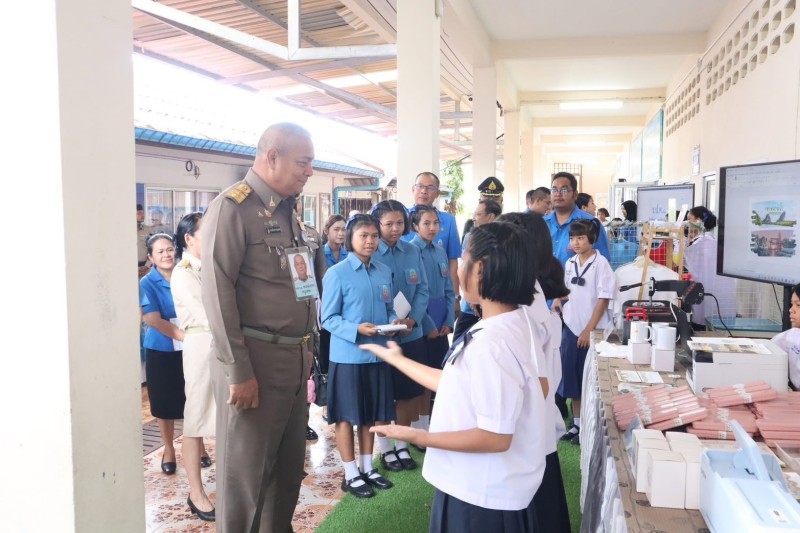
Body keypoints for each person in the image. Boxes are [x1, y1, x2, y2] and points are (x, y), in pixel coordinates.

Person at [362, 222, 547, 533]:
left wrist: (420, 437)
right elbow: (458, 385)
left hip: (482, 497)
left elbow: (495, 437)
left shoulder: (492, 344)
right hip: (486, 488)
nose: (458, 269)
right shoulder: (514, 322)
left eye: (464, 259)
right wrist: (399, 360)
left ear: (480, 270)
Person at [201, 123, 325, 532]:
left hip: (294, 358)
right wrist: (239, 371)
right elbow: (217, 292)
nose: (309, 171)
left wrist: (308, 350)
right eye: (303, 162)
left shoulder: (289, 210)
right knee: (247, 482)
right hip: (255, 362)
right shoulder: (233, 208)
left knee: (286, 475)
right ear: (272, 157)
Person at [497, 211, 571, 533]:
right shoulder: (530, 295)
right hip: (536, 423)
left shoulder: (523, 307)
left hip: (527, 425)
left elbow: (539, 383)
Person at [321, 214, 398, 498]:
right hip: (348, 358)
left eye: (374, 236)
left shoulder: (383, 270)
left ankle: (367, 467)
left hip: (377, 354)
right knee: (345, 417)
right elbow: (327, 318)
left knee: (370, 415)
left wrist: (393, 322)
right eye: (363, 236)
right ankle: (350, 472)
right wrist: (356, 329)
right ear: (350, 239)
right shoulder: (337, 273)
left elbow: (388, 307)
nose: (370, 241)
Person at [371, 200, 430, 470]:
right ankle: (386, 450)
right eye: (388, 224)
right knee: (383, 395)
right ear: (378, 225)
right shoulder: (370, 252)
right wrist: (389, 323)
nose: (395, 229)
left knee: (408, 393)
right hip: (382, 336)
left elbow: (423, 289)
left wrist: (412, 320)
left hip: (410, 333)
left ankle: (403, 446)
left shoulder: (412, 250)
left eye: (399, 223)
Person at [552, 219, 615, 445]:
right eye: (572, 238)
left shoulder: (601, 264)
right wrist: (558, 299)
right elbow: (566, 290)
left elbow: (603, 299)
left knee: (590, 380)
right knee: (572, 378)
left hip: (593, 330)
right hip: (571, 327)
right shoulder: (570, 262)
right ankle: (577, 424)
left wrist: (589, 330)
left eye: (580, 238)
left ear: (593, 239)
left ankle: (589, 426)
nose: (575, 242)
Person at [170, 212, 215, 522]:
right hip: (201, 344)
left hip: (221, 344)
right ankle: (196, 492)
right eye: (206, 232)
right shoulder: (184, 272)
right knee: (196, 419)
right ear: (189, 238)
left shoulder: (210, 266)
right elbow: (208, 314)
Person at [139, 233, 186, 476]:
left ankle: (197, 447)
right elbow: (153, 320)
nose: (166, 255)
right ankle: (168, 449)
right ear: (150, 257)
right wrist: (187, 337)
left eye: (169, 249)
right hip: (162, 349)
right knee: (163, 403)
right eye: (160, 251)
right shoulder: (146, 283)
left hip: (190, 349)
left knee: (193, 398)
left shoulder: (186, 275)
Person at [409, 205, 455, 441]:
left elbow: (449, 289)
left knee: (437, 375)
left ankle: (429, 423)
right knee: (421, 378)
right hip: (422, 323)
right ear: (415, 226)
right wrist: (428, 325)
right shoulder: (411, 252)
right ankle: (418, 426)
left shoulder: (439, 251)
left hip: (441, 323)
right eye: (426, 223)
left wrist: (449, 320)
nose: (432, 227)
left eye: (435, 223)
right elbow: (417, 293)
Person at [404, 171, 462, 309]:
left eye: (430, 187)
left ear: (437, 193)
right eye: (419, 186)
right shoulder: (401, 219)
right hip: (409, 294)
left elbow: (452, 263)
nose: (424, 191)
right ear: (413, 189)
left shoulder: (448, 221)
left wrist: (455, 297)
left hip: (437, 294)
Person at [453, 199, 502, 341]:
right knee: (460, 342)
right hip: (470, 308)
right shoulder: (470, 237)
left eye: (478, 214)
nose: (474, 218)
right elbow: (465, 268)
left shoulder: (503, 239)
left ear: (490, 217)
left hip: (494, 305)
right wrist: (470, 298)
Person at [683, 206, 736, 330]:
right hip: (714, 291)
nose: (687, 224)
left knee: (701, 317)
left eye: (689, 219)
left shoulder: (702, 243)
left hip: (704, 288)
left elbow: (684, 259)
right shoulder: (709, 241)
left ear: (698, 221)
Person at [545, 172, 610, 265]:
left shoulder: (591, 223)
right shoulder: (541, 223)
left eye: (564, 190)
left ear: (575, 194)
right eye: (554, 189)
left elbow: (603, 262)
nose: (558, 194)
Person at [771, 284, 800, 390]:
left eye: (798, 305)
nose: (791, 310)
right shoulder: (793, 334)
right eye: (792, 304)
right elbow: (768, 348)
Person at [137, 203, 153, 278]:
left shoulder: (148, 230)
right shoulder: (126, 231)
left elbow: (152, 248)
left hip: (146, 269)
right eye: (139, 213)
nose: (142, 215)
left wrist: (147, 266)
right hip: (129, 268)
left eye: (143, 213)